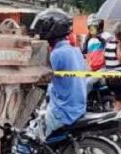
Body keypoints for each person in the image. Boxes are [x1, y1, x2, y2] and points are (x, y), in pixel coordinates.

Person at [31, 8, 87, 138]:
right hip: (78, 108)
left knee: (30, 138)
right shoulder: (75, 51)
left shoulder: (56, 55)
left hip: (63, 112)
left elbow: (40, 79)